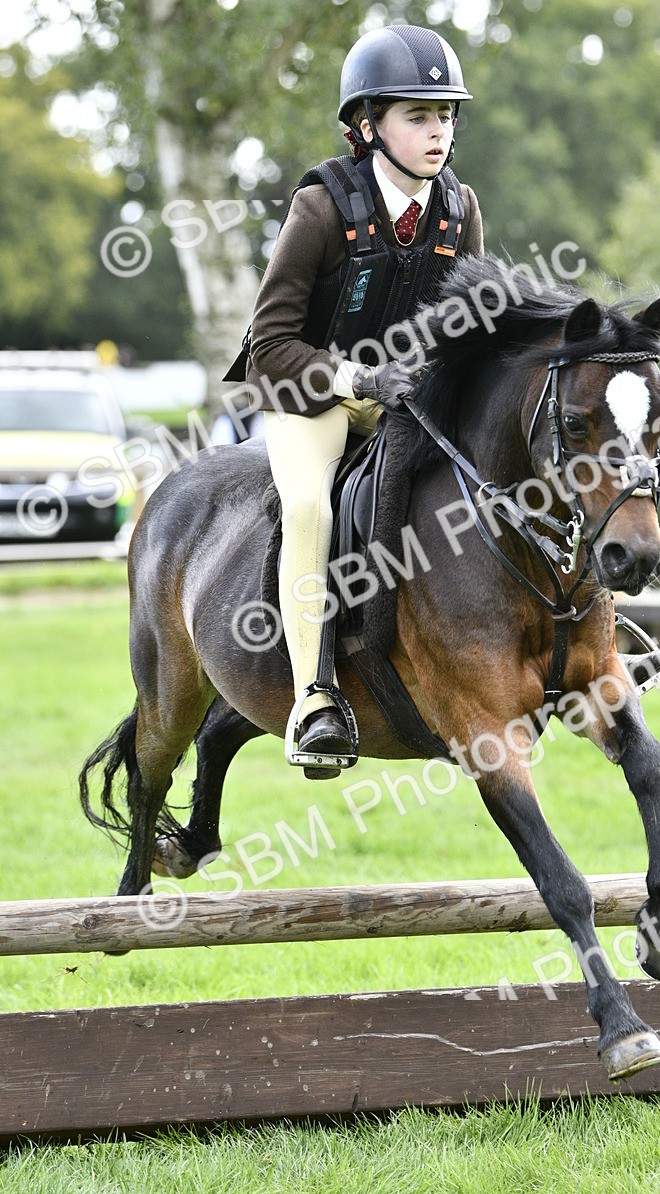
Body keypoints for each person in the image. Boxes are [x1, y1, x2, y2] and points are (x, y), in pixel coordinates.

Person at [231, 25, 483, 777]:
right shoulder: (319, 208)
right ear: (368, 126)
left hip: (405, 398)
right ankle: (314, 696)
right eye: (417, 115)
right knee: (312, 508)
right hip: (309, 396)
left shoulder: (459, 208)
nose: (437, 131)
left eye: (445, 116)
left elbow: (466, 329)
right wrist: (355, 380)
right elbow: (268, 344)